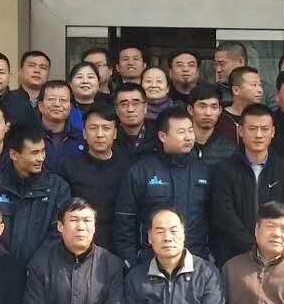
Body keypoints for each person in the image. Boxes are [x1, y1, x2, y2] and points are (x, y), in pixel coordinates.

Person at [114, 108, 212, 264]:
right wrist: (131, 261)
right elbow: (124, 221)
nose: (188, 137)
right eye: (181, 132)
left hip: (196, 261)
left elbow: (213, 219)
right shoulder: (142, 171)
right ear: (162, 136)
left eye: (190, 130)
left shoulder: (203, 170)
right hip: (149, 262)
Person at [210, 103, 284, 262]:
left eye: (264, 129)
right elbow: (223, 214)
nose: (258, 135)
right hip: (234, 256)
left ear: (273, 132)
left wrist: (268, 246)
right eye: (252, 129)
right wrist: (253, 247)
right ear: (241, 131)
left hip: (276, 254)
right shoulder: (223, 170)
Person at [0, 124, 73, 265]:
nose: (41, 158)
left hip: (42, 270)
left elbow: (58, 232)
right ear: (14, 154)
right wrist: (3, 263)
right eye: (34, 153)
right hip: (0, 267)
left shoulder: (58, 188)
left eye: (43, 151)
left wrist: (37, 265)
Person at [58, 104, 132, 248]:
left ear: (115, 133)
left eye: (106, 128)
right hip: (80, 244)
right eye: (93, 128)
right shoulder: (69, 167)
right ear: (84, 133)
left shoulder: (128, 168)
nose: (99, 134)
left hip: (119, 245)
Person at [36, 80, 82, 172]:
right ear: (40, 106)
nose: (57, 104)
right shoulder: (28, 136)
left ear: (70, 107)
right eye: (51, 99)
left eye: (63, 100)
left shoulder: (81, 138)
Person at [112, 82, 155, 158]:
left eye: (135, 104)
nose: (130, 109)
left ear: (145, 107)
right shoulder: (109, 136)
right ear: (116, 110)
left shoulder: (158, 134)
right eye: (124, 104)